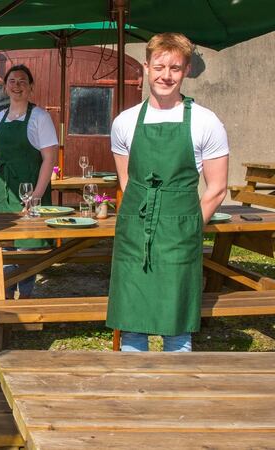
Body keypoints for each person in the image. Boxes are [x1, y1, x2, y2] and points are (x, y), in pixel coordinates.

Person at [106, 32, 229, 352]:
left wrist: (190, 227)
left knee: (176, 326)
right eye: (159, 66)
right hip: (135, 229)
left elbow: (216, 188)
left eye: (175, 68)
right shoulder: (125, 122)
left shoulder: (206, 122)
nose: (166, 75)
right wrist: (140, 218)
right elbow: (127, 182)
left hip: (180, 231)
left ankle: (174, 397)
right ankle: (136, 395)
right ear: (146, 67)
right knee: (132, 322)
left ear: (186, 70)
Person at [0, 64, 58, 298]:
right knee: (5, 246)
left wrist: (36, 195)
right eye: (12, 81)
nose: (17, 86)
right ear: (5, 87)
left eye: (22, 81)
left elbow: (49, 158)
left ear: (31, 88)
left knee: (27, 246)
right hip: (3, 189)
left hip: (30, 190)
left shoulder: (40, 117)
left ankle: (25, 298)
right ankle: (4, 297)